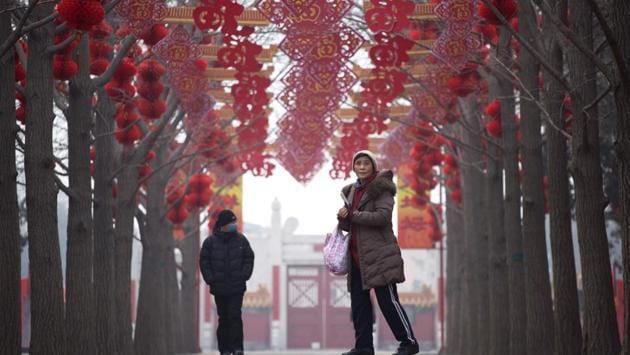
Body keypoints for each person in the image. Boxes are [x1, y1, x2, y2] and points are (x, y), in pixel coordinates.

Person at [337, 150, 419, 355]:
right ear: (353, 167)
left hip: (380, 255)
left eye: (366, 163)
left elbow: (382, 216)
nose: (362, 167)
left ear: (373, 166)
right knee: (359, 305)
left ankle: (409, 342)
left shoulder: (382, 189)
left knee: (388, 302)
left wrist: (354, 215)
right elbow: (350, 225)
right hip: (357, 257)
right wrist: (343, 218)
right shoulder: (350, 191)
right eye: (358, 164)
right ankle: (364, 347)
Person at [200, 209, 255, 355]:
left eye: (234, 222)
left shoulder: (241, 240)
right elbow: (204, 262)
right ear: (223, 224)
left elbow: (249, 258)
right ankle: (224, 349)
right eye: (231, 223)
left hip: (237, 287)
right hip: (219, 288)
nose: (234, 225)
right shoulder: (210, 242)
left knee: (235, 316)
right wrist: (210, 279)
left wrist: (244, 275)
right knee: (223, 318)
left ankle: (237, 348)